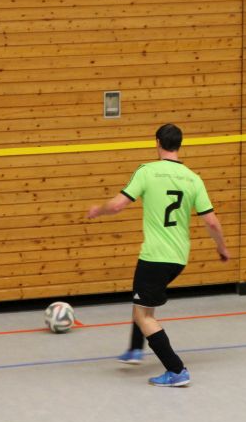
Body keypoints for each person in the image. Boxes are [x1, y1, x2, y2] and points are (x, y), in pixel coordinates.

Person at [87, 124, 230, 387]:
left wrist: (98, 210)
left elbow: (117, 205)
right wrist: (221, 248)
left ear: (157, 142)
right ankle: (135, 349)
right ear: (179, 145)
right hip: (178, 258)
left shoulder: (147, 171)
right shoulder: (193, 179)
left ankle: (176, 370)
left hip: (154, 257)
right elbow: (211, 222)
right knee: (143, 303)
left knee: (144, 316)